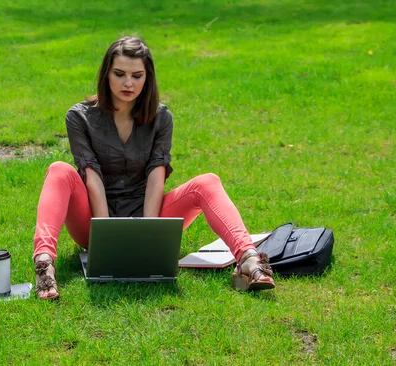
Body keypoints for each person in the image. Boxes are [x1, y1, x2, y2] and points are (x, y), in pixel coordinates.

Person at [32, 36, 274, 300]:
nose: (128, 83)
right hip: (93, 221)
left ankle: (249, 259)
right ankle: (44, 265)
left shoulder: (161, 117)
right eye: (120, 74)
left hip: (148, 211)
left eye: (137, 76)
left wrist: (147, 235)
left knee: (208, 182)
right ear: (106, 74)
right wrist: (106, 238)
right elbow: (91, 174)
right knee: (59, 170)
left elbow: (156, 175)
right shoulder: (79, 116)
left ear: (147, 77)